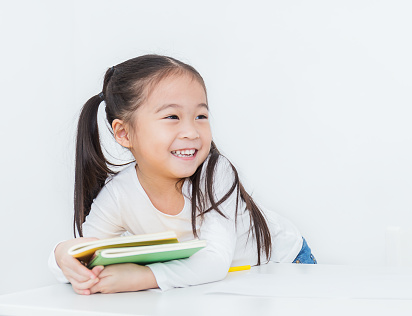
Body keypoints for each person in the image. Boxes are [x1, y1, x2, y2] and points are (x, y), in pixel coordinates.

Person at [49, 54, 316, 295]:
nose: (192, 131)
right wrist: (64, 255)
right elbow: (88, 252)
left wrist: (144, 276)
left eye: (201, 116)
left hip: (282, 263)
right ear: (124, 133)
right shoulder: (119, 194)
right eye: (172, 117)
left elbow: (214, 261)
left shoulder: (215, 173)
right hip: (223, 283)